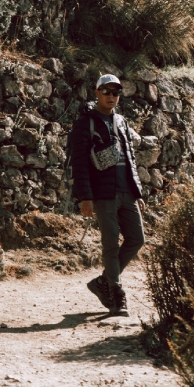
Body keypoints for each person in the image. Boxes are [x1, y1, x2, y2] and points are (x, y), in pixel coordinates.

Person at [70, 73, 145, 316]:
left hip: (127, 192)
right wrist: (85, 197)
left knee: (137, 239)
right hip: (103, 194)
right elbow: (79, 163)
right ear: (97, 93)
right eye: (107, 91)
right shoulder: (85, 123)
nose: (111, 96)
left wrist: (137, 191)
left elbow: (130, 158)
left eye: (116, 92)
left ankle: (103, 282)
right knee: (110, 245)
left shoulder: (122, 122)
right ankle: (116, 295)